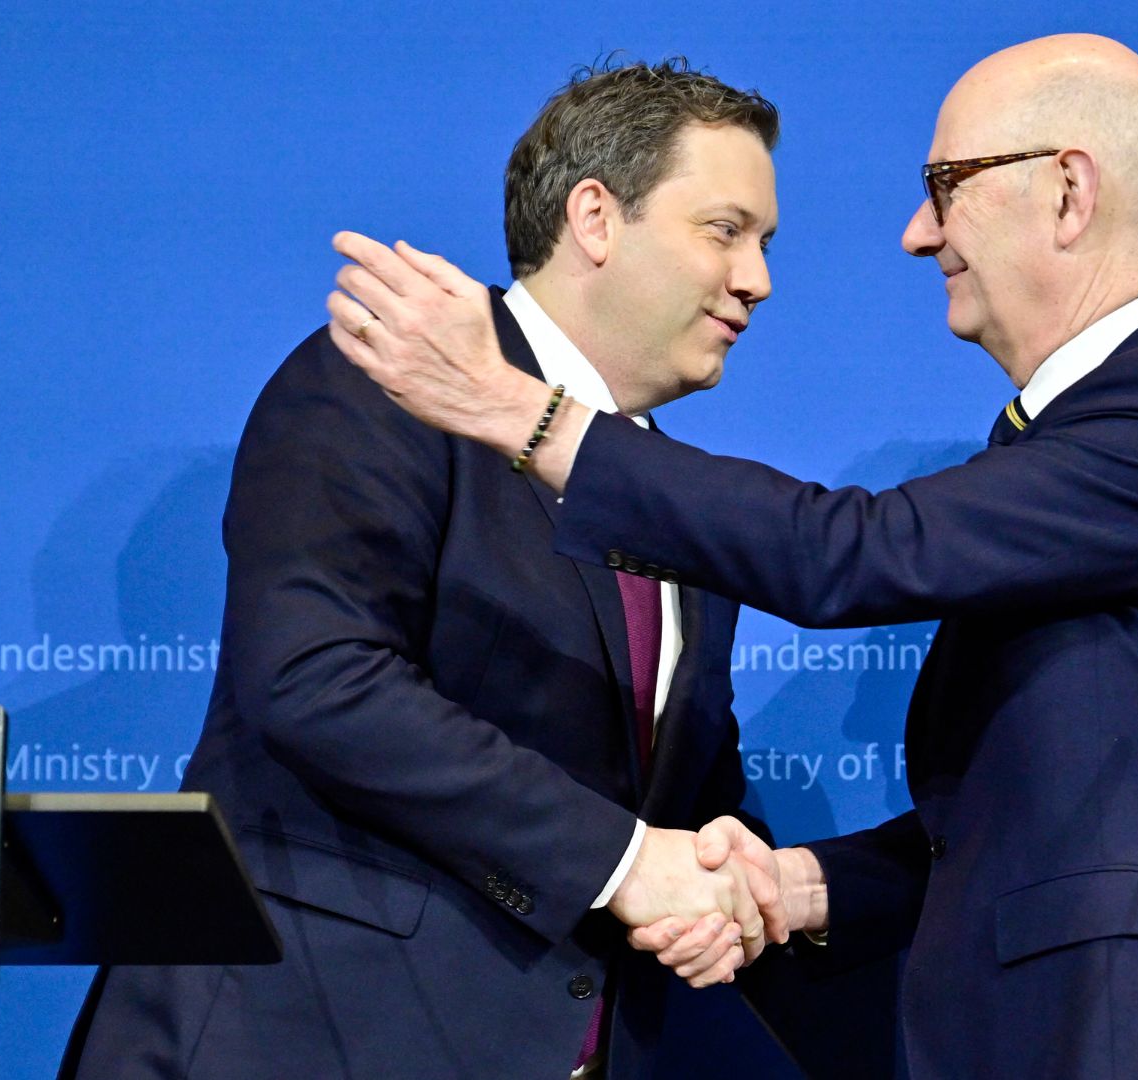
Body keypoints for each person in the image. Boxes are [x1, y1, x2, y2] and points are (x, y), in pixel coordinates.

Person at [327, 31, 1138, 1080]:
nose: (917, 234)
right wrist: (806, 886)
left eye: (945, 185)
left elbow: (849, 554)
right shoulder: (1094, 439)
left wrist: (521, 411)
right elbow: (1020, 818)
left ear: (1068, 194)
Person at [60, 59, 790, 1080]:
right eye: (725, 230)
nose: (757, 278)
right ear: (595, 217)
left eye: (763, 243)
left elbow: (670, 786)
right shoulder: (390, 380)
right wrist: (628, 866)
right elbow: (318, 678)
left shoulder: (666, 489)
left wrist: (728, 870)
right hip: (304, 1038)